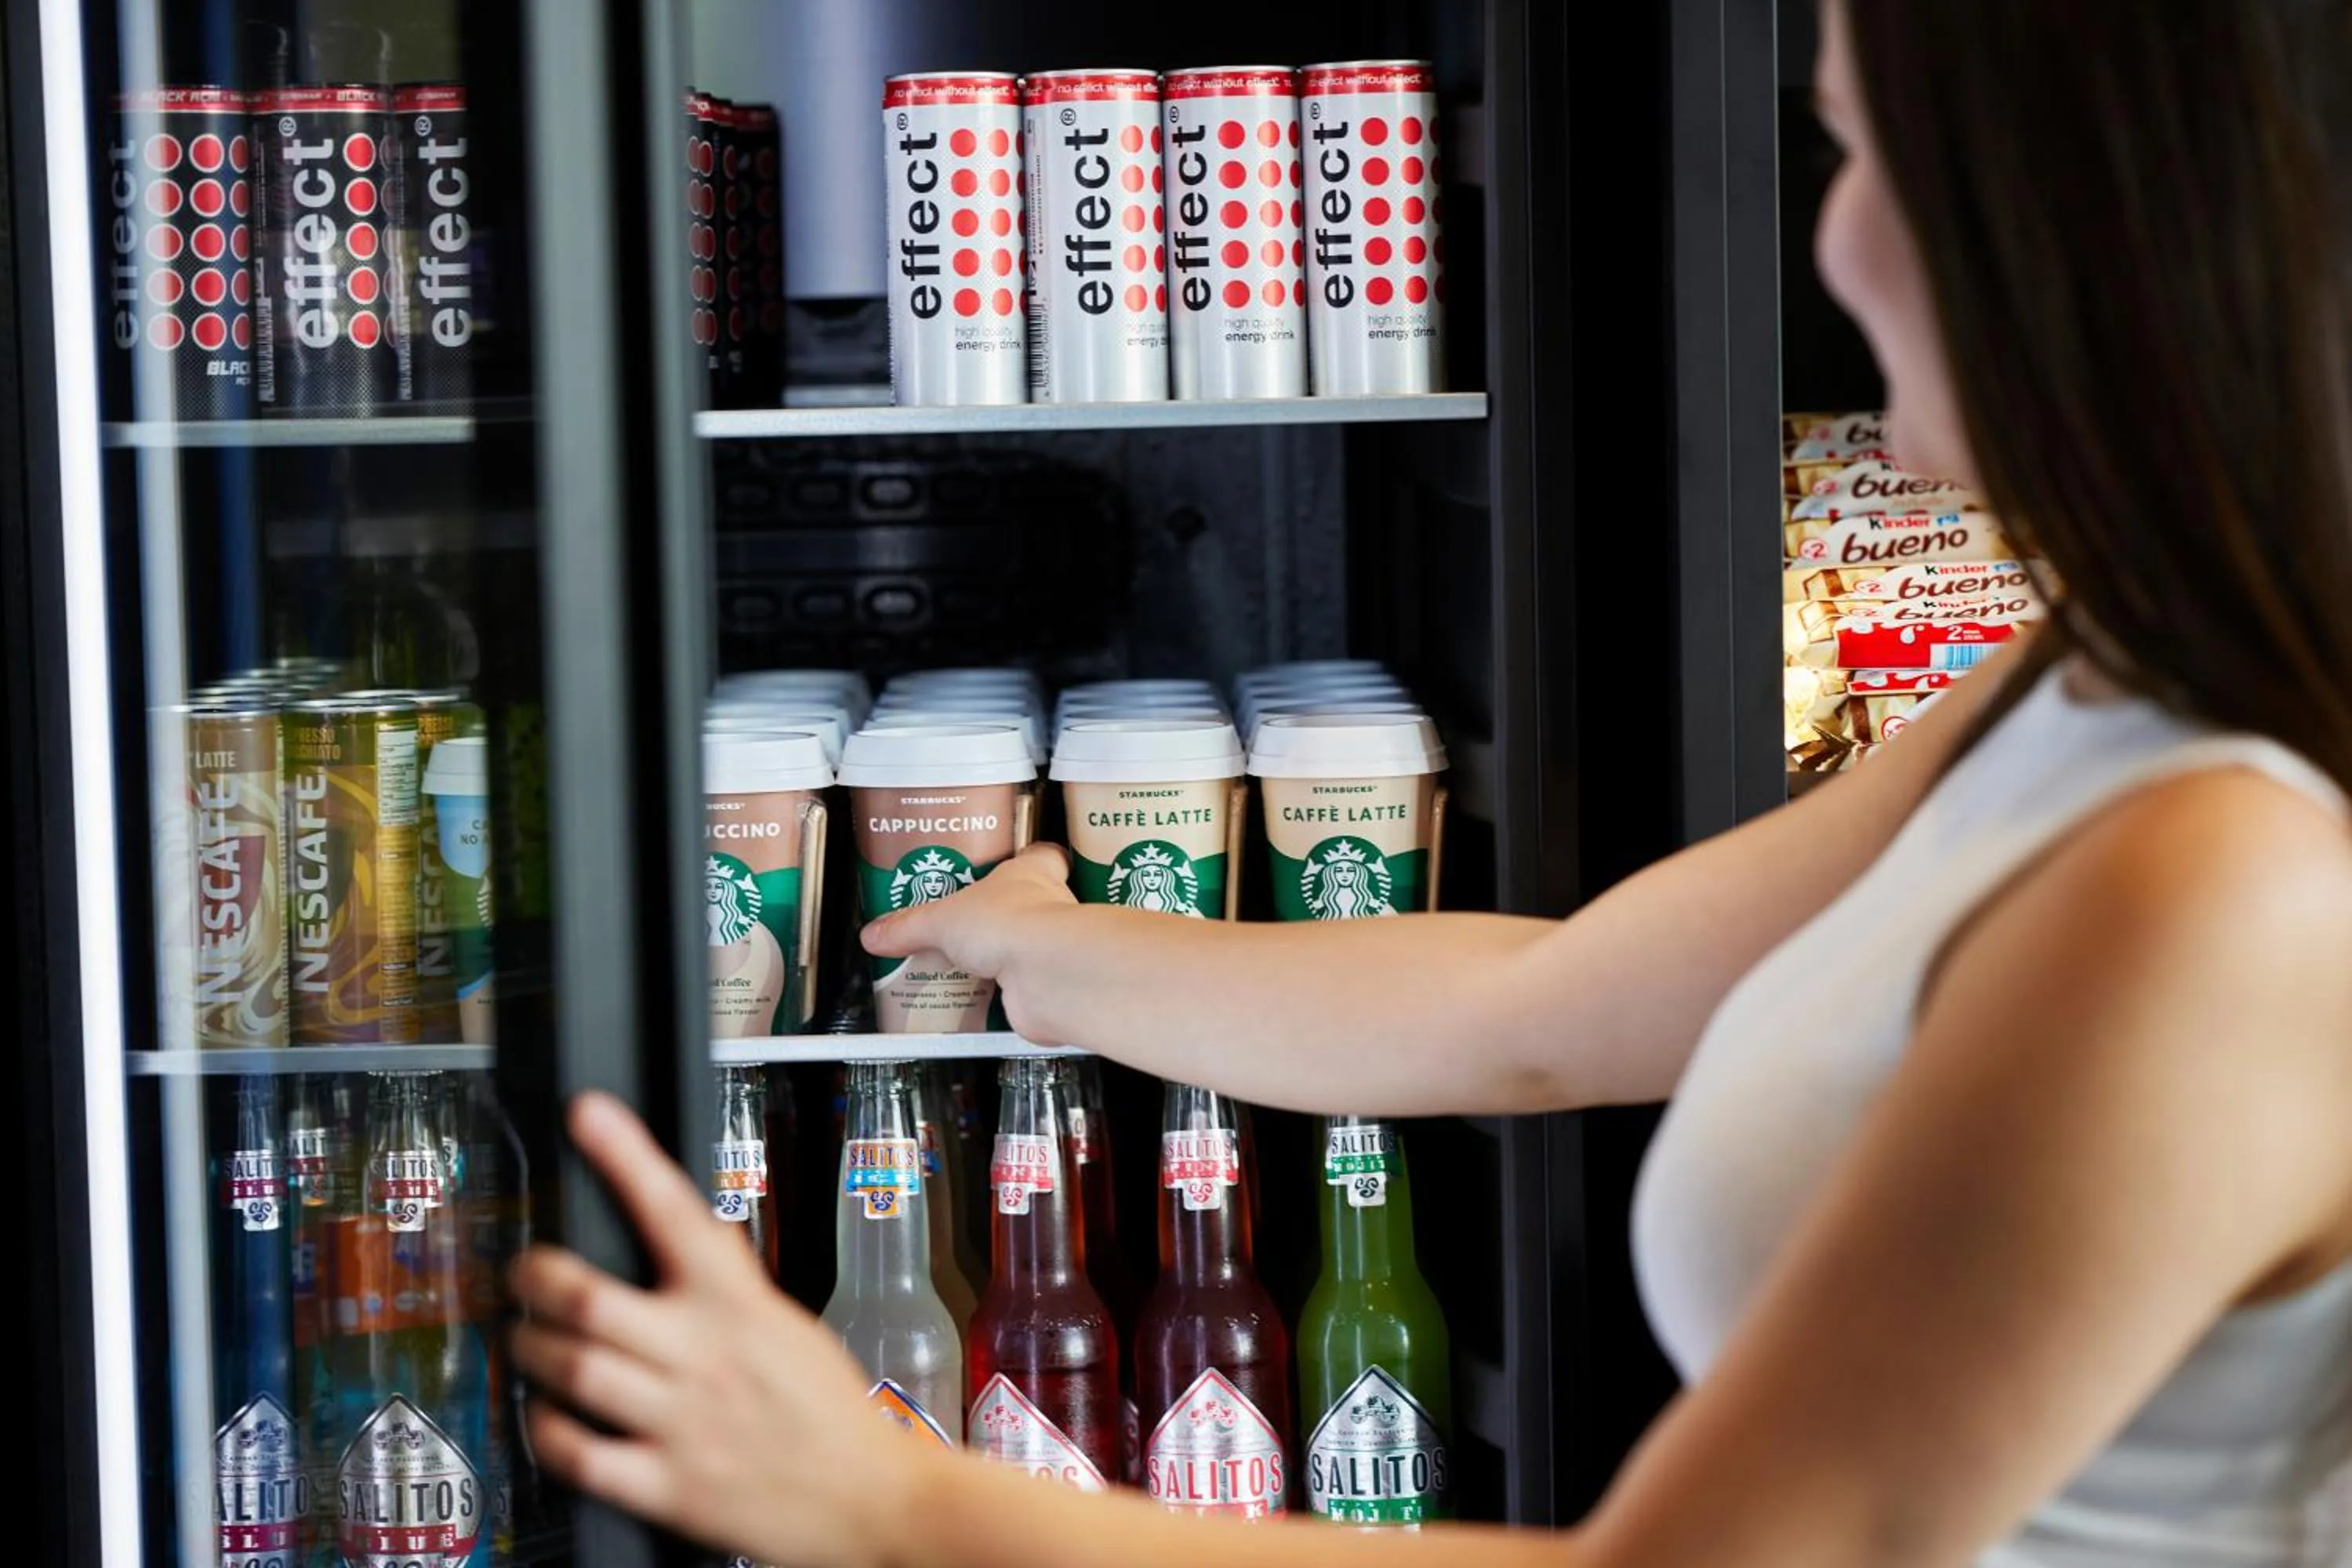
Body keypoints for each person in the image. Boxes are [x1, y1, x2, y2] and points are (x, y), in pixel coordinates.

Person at [509, 2, 2352, 1563]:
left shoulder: (2211, 885)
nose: (1831, 236)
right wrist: (1044, 944)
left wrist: (890, 1502)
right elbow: (1536, 1010)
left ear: (2032, 222)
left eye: (1854, 154)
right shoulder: (2098, 689)